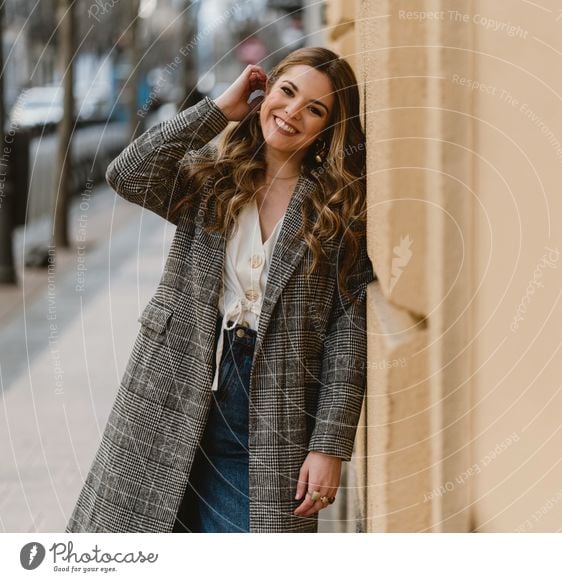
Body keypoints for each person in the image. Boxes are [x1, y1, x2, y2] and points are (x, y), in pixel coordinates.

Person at [65, 47, 374, 533]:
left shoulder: (337, 209)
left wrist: (329, 444)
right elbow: (127, 174)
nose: (292, 112)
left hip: (273, 404)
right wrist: (217, 111)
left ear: (329, 129)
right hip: (173, 386)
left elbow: (347, 332)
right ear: (265, 92)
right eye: (286, 92)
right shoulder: (213, 178)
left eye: (315, 109)